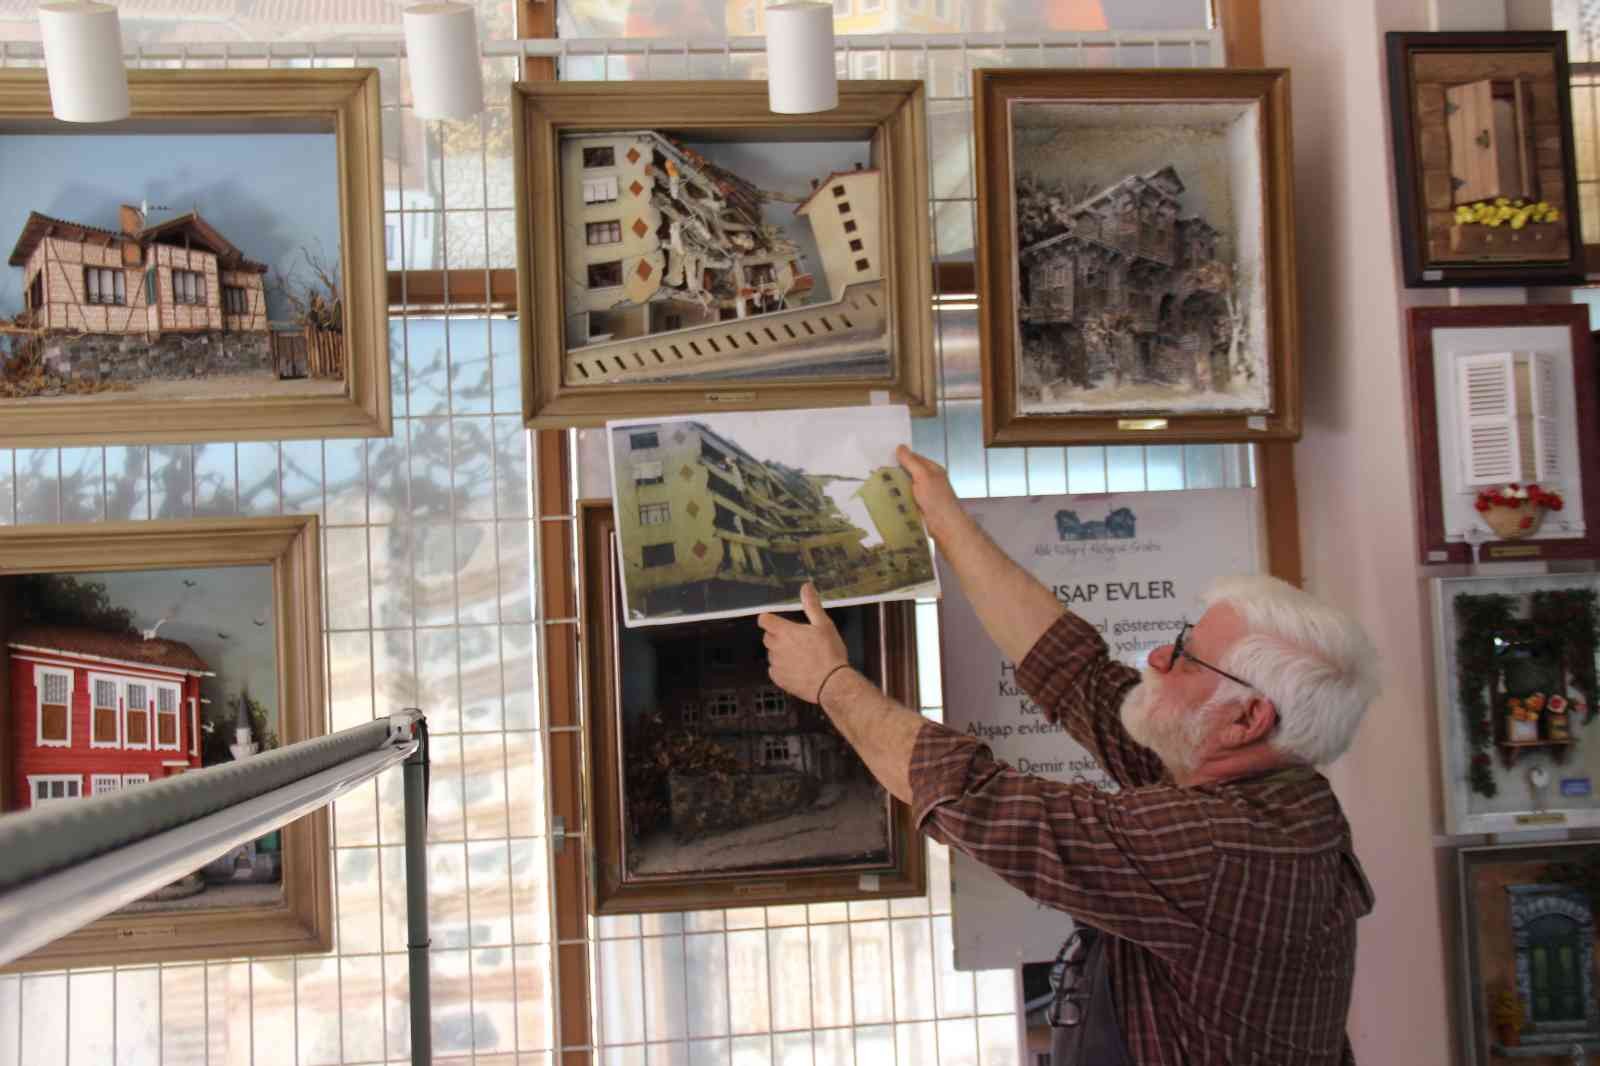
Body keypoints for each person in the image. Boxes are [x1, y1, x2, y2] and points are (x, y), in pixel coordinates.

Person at [758, 446, 1379, 1066]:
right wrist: (943, 518)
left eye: (1190, 655)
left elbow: (975, 800)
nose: (1161, 657)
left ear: (1247, 718)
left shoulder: (1227, 852)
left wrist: (829, 682)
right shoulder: (1263, 785)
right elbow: (1073, 671)